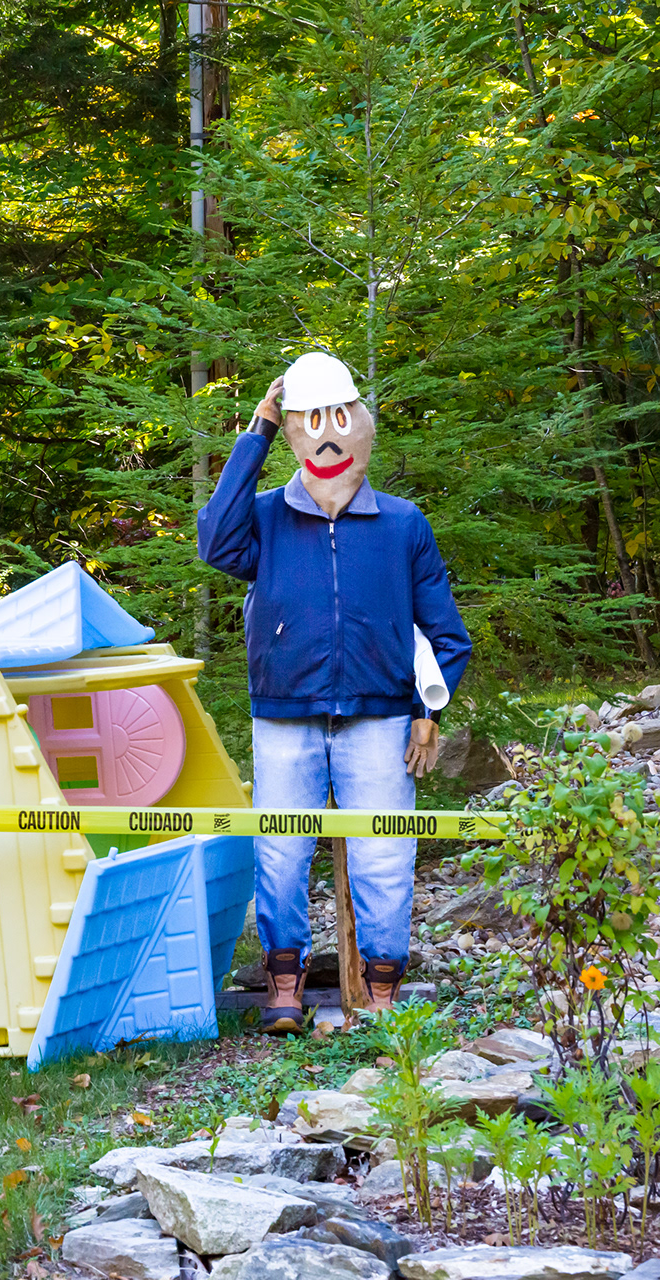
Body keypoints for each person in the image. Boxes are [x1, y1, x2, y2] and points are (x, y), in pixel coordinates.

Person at [197, 352, 470, 1032]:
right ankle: (283, 987)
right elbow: (213, 542)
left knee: (384, 856)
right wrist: (255, 430)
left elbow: (446, 634)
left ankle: (381, 996)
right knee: (281, 853)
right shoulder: (261, 520)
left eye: (339, 422)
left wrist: (428, 710)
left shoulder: (404, 525)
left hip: (380, 722)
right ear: (293, 430)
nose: (327, 437)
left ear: (360, 429)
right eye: (309, 422)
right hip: (284, 719)